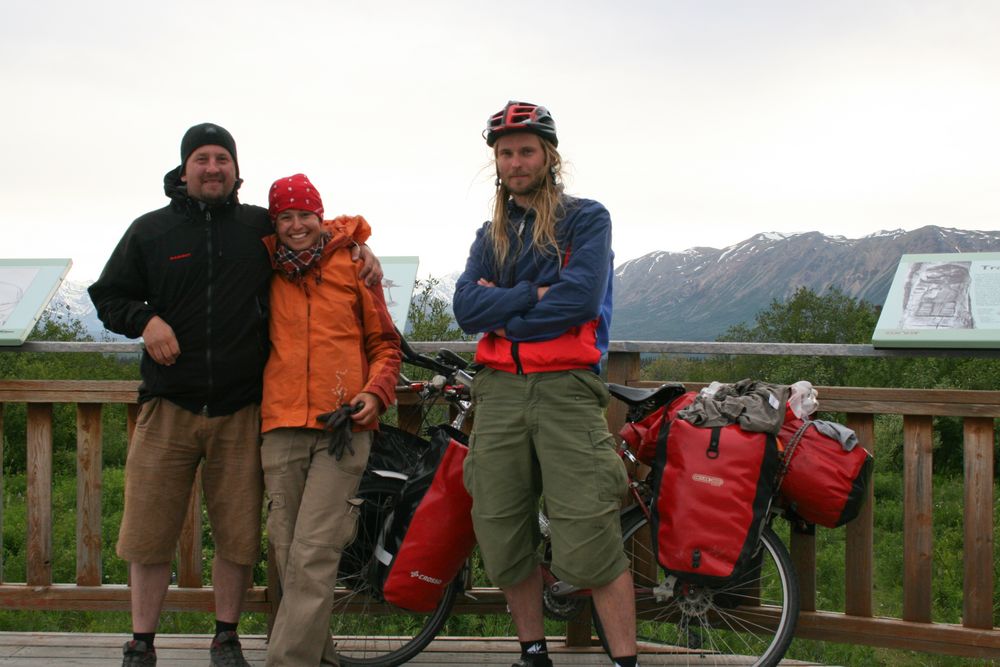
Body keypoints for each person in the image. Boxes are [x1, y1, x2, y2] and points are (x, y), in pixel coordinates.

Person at [88, 123, 381, 667]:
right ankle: (141, 642)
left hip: (243, 409)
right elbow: (107, 295)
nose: (212, 167)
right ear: (184, 169)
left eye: (222, 158)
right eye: (201, 158)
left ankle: (226, 637)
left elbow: (318, 230)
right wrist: (145, 320)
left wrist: (361, 248)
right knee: (148, 534)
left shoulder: (257, 228)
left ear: (236, 168)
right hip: (168, 405)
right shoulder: (149, 231)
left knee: (238, 536)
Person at [453, 101, 639, 667]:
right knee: (503, 528)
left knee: (590, 531)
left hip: (566, 390)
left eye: (526, 151)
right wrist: (532, 296)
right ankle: (533, 653)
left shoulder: (586, 219)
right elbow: (465, 307)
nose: (516, 162)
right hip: (499, 392)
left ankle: (625, 661)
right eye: (506, 153)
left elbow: (579, 299)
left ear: (549, 156)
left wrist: (504, 314)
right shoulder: (490, 234)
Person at [259, 173, 401, 666]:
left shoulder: (353, 265)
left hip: (343, 427)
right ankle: (322, 658)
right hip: (279, 425)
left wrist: (376, 392)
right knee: (288, 552)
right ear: (274, 222)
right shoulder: (260, 266)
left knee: (315, 551)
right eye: (286, 216)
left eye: (306, 215)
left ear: (321, 217)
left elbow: (386, 345)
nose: (297, 225)